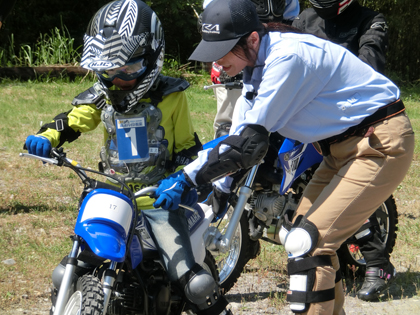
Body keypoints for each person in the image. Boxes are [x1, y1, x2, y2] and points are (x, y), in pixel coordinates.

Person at [152, 0, 414, 314]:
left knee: (309, 243)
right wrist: (219, 191)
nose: (217, 63)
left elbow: (249, 144)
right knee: (297, 237)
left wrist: (188, 178)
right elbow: (235, 135)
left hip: (378, 143)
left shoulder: (286, 58)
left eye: (223, 52)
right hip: (338, 151)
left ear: (251, 39)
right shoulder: (255, 65)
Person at [24, 1, 232, 315]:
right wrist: (46, 137)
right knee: (69, 266)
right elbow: (74, 119)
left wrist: (180, 179)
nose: (119, 79)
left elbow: (189, 148)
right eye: (109, 70)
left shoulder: (172, 96)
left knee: (192, 282)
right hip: (113, 195)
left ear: (153, 59)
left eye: (130, 69)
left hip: (158, 202)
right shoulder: (100, 97)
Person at [292, 0, 394, 301]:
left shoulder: (370, 20)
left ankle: (377, 261)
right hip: (308, 120)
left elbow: (370, 64)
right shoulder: (304, 20)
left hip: (355, 125)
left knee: (343, 190)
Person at [208, 0, 300, 138]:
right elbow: (213, 16)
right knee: (228, 128)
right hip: (235, 39)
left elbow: (291, 14)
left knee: (280, 131)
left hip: (274, 38)